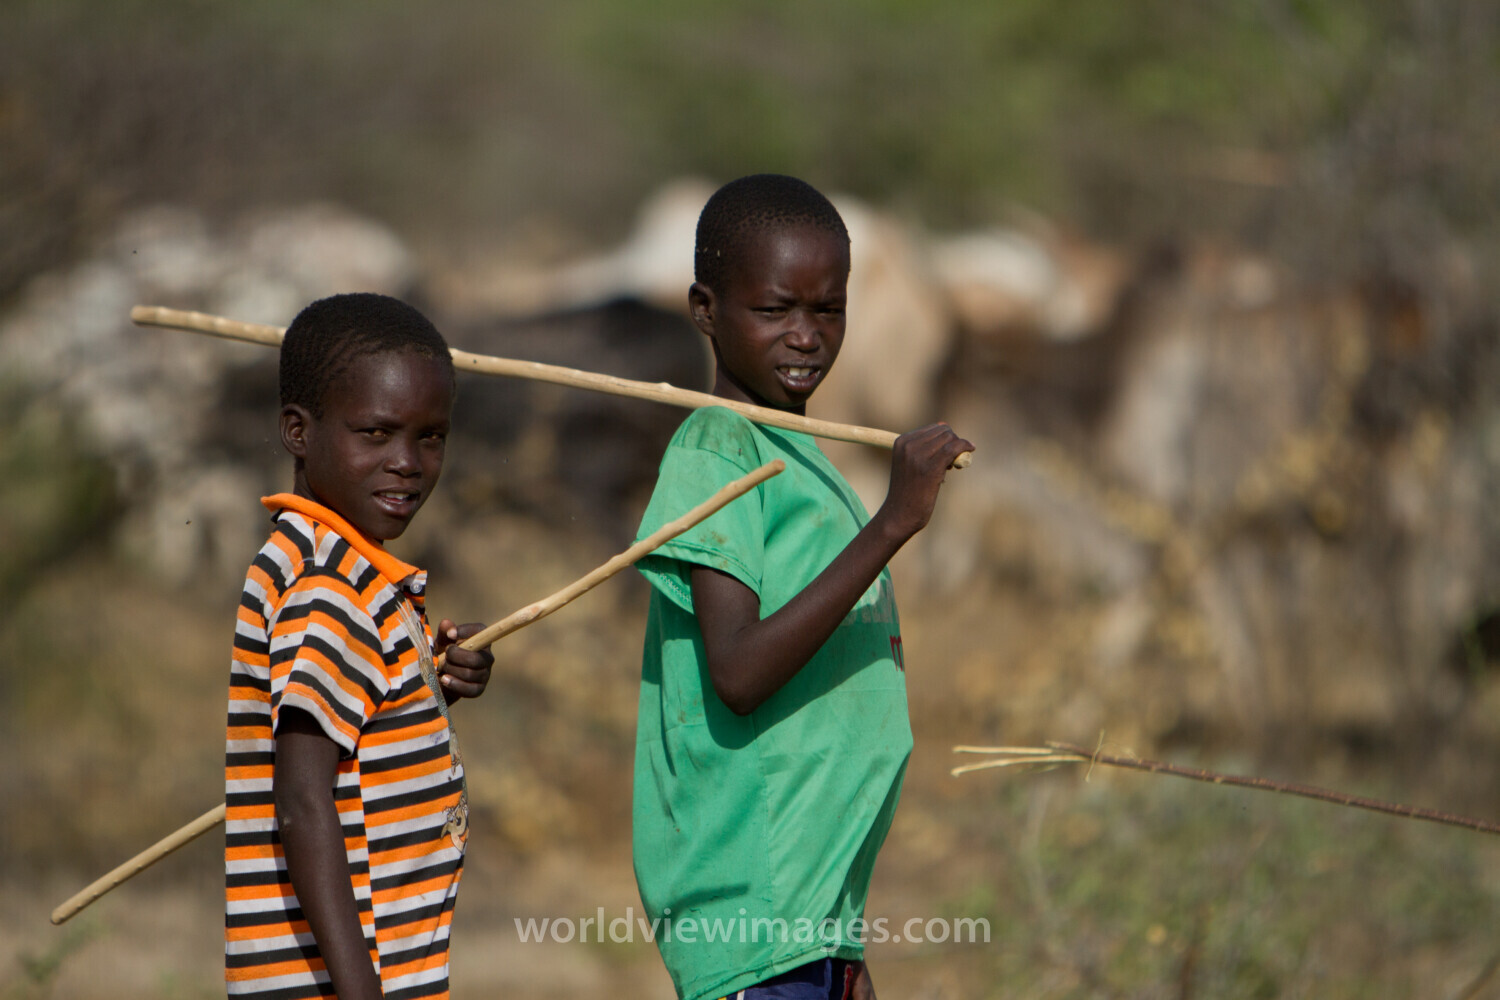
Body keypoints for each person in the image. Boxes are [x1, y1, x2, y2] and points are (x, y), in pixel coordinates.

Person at [631, 175, 973, 1000]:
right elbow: (740, 673)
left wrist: (841, 932)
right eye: (776, 309)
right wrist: (891, 524)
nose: (807, 337)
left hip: (808, 912)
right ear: (706, 311)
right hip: (753, 906)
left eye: (829, 310)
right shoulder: (717, 451)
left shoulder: (798, 447)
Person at [224, 293, 495, 1000]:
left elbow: (358, 735)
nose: (407, 462)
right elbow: (305, 801)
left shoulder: (333, 564)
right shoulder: (330, 587)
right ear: (297, 432)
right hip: (348, 980)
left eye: (430, 437)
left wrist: (429, 684)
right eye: (376, 434)